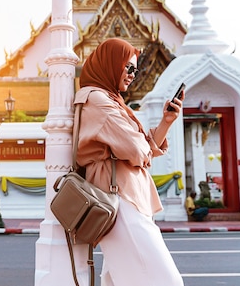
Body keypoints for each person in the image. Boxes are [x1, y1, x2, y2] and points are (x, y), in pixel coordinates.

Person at [75, 38, 184, 286]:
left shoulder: (111, 100)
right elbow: (136, 149)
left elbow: (139, 147)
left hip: (127, 197)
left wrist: (166, 122)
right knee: (167, 282)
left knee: (117, 282)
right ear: (111, 64)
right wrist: (141, 148)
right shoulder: (97, 100)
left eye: (136, 69)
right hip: (119, 200)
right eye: (129, 68)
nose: (133, 75)